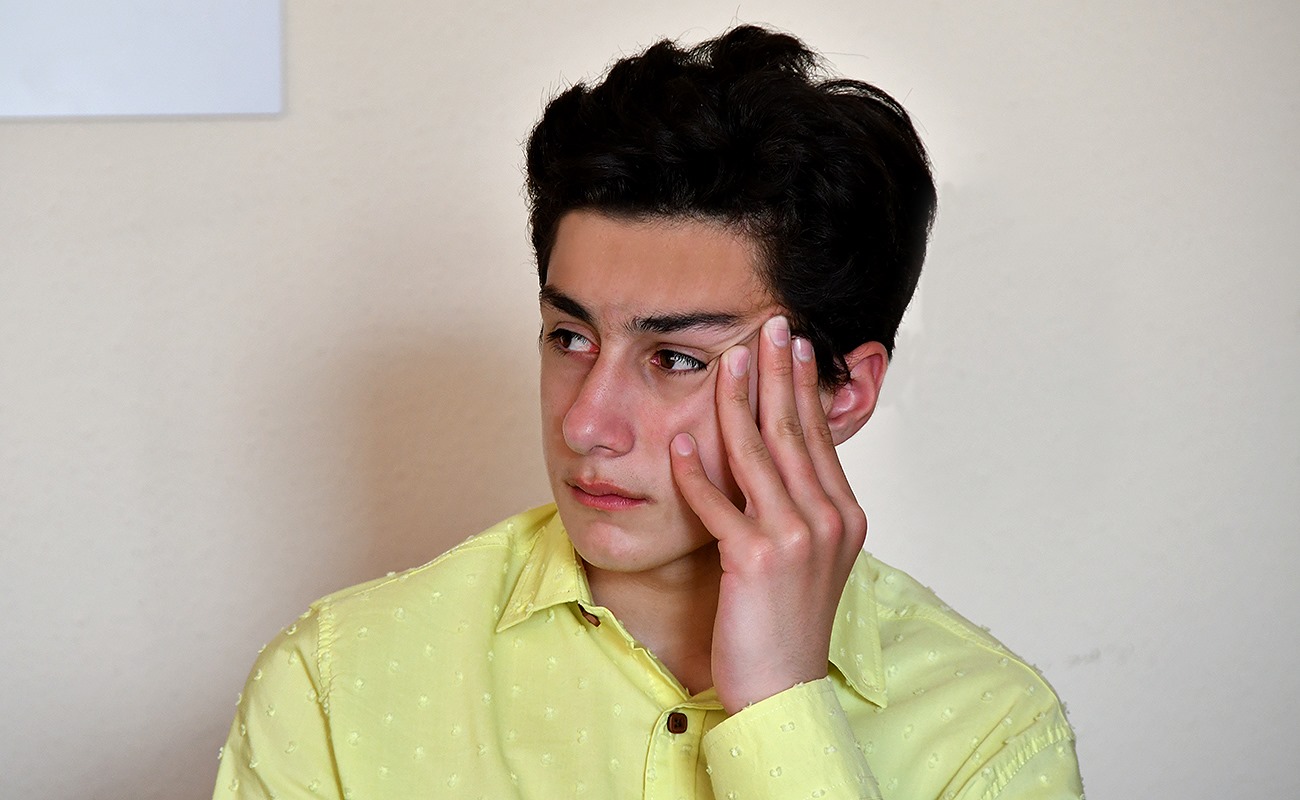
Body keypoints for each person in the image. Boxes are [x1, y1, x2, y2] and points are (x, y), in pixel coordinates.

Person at [213, 25, 1084, 799]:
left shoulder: (989, 734)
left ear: (843, 393)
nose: (585, 424)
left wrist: (781, 703)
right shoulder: (337, 682)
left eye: (675, 359)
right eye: (569, 337)